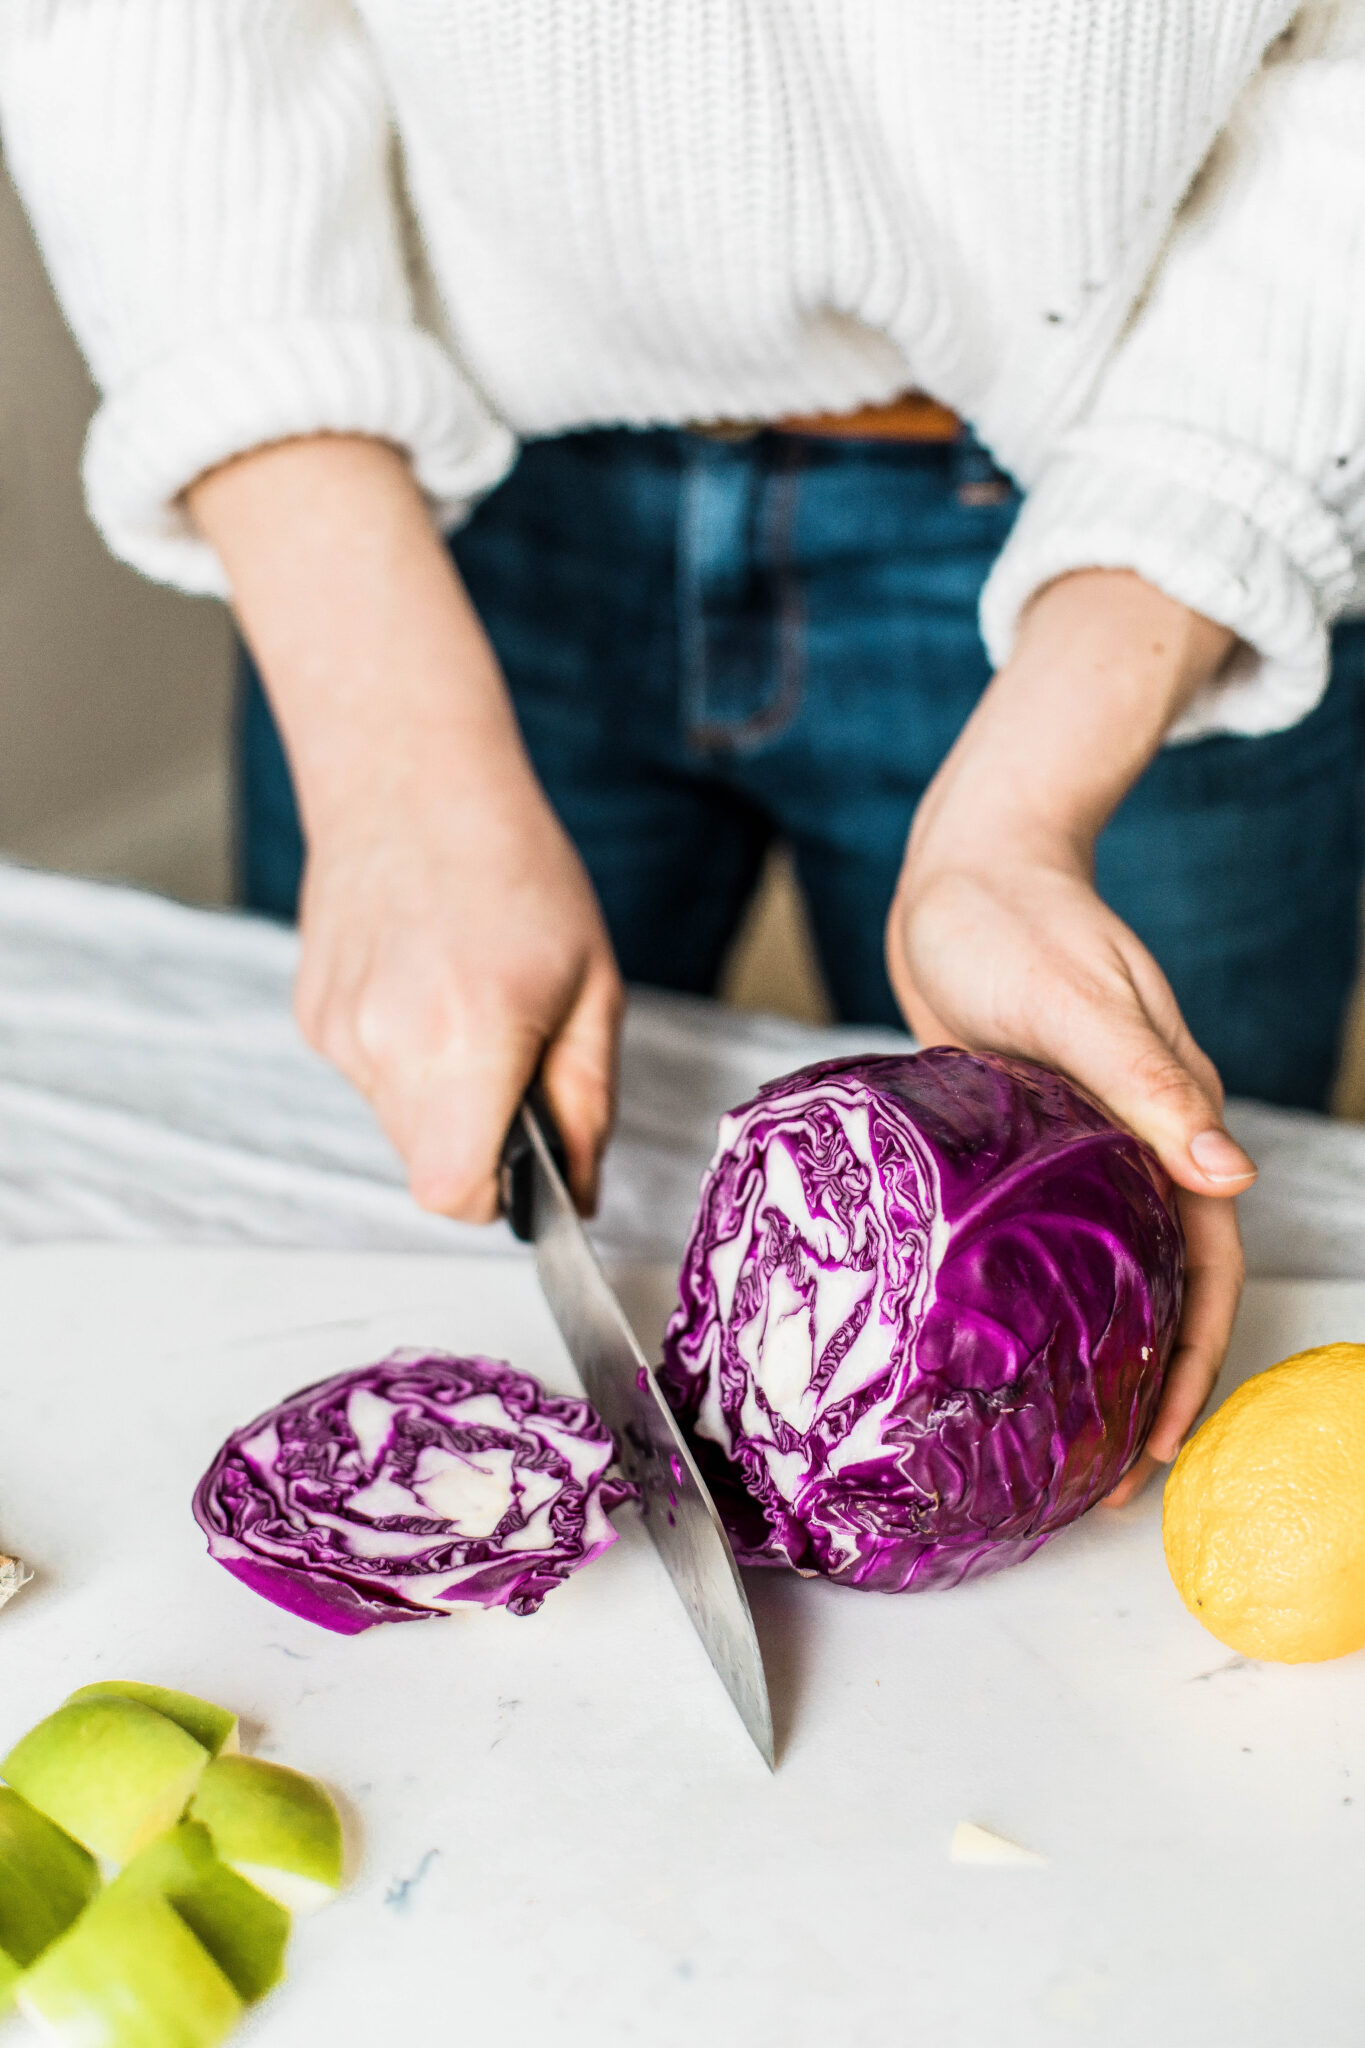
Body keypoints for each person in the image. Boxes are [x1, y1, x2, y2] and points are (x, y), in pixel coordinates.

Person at [2, 3, 1363, 1504]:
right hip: (421, 495)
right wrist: (386, 759)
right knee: (384, 1236)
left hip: (1147, 500)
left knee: (1141, 1322)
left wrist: (1017, 822)